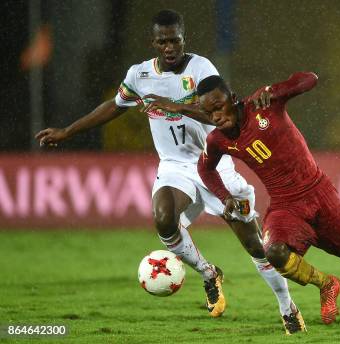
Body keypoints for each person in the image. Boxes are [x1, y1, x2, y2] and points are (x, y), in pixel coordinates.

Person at [34, 9, 304, 334]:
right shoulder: (139, 75)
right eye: (162, 41)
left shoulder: (201, 69)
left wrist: (175, 105)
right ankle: (208, 273)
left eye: (174, 40)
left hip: (214, 163)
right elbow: (114, 107)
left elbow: (223, 115)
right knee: (164, 218)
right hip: (175, 167)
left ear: (182, 38)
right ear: (154, 42)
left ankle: (287, 308)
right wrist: (68, 131)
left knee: (255, 245)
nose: (169, 47)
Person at [184, 72, 340, 338]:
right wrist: (224, 196)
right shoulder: (217, 140)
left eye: (218, 107)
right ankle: (326, 284)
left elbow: (310, 79)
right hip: (286, 205)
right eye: (209, 113)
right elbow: (205, 170)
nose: (216, 116)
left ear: (233, 98)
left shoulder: (263, 105)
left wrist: (276, 89)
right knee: (273, 252)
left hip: (321, 194)